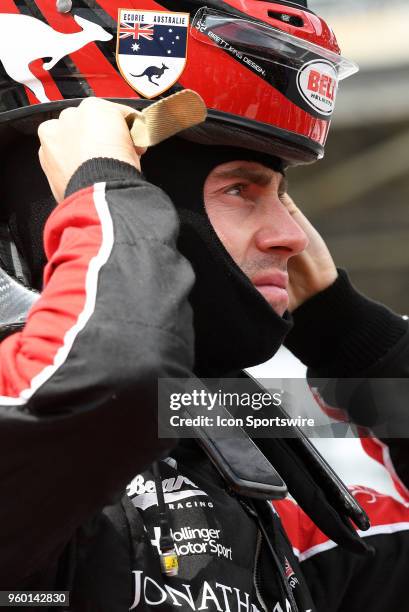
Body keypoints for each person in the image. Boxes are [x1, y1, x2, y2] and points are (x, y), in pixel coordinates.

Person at [0, 1, 408, 611]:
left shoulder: (244, 444)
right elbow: (113, 379)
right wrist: (109, 190)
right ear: (67, 194)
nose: (293, 235)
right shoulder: (59, 413)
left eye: (281, 193)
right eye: (241, 188)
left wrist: (352, 335)